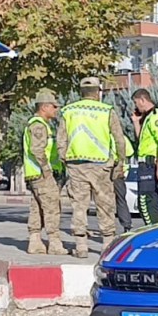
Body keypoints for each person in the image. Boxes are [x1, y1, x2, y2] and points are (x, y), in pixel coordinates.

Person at [57, 76, 129, 258]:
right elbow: (119, 139)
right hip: (101, 165)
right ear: (98, 92)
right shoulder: (106, 111)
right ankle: (106, 244)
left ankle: (81, 246)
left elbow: (61, 140)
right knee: (105, 204)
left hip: (76, 164)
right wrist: (120, 162)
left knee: (79, 205)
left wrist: (65, 158)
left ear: (81, 92)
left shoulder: (68, 111)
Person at [23, 89, 68, 255]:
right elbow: (37, 149)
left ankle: (35, 241)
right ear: (44, 107)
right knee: (52, 208)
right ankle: (54, 243)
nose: (56, 110)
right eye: (54, 106)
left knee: (37, 208)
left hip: (35, 174)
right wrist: (47, 171)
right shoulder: (39, 125)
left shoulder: (39, 124)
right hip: (42, 174)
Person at [131, 88, 158, 226]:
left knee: (145, 201)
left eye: (136, 103)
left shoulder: (156, 117)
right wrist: (136, 122)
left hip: (149, 164)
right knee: (148, 202)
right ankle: (156, 229)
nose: (136, 107)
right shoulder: (147, 118)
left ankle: (153, 230)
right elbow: (141, 141)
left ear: (143, 100)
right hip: (143, 164)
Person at [113, 127, 135, 235]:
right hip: (119, 171)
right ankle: (127, 225)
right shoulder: (123, 137)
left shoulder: (104, 135)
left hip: (113, 169)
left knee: (105, 199)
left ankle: (124, 224)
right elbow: (129, 153)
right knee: (120, 199)